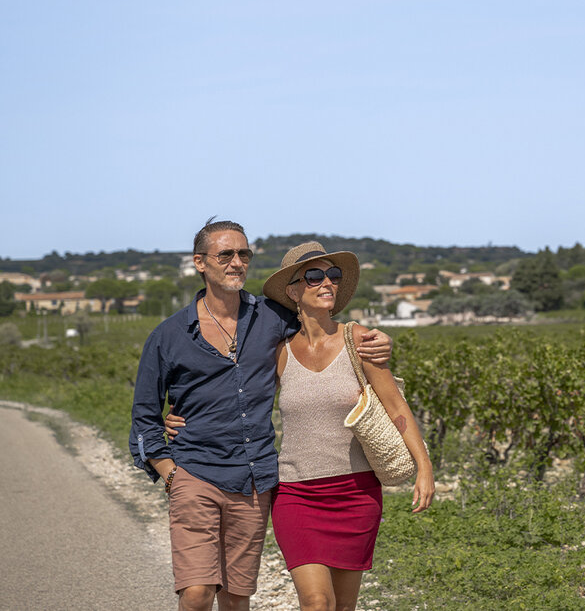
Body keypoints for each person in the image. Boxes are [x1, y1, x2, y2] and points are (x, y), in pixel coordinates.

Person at [130, 219, 393, 611]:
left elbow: (324, 326)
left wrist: (378, 339)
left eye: (244, 254)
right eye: (226, 254)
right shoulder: (168, 336)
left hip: (254, 480)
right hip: (195, 471)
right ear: (200, 262)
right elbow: (145, 417)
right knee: (198, 593)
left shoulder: (272, 318)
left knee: (237, 599)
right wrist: (171, 472)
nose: (237, 262)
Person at [259, 241, 434, 611]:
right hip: (296, 494)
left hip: (355, 494)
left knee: (343, 606)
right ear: (293, 291)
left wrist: (425, 467)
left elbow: (396, 406)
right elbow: (244, 405)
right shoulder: (279, 354)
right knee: (317, 602)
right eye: (314, 276)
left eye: (333, 275)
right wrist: (179, 414)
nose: (327, 283)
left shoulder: (360, 341)